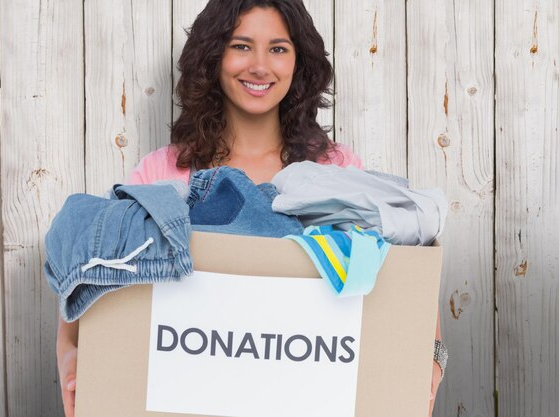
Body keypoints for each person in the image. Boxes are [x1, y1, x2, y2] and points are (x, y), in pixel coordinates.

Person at [56, 1, 443, 416]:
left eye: (278, 49)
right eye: (241, 46)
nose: (260, 66)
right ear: (213, 57)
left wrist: (433, 360)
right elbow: (94, 275)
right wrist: (69, 357)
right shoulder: (160, 172)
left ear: (299, 62)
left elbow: (400, 275)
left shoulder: (336, 169)